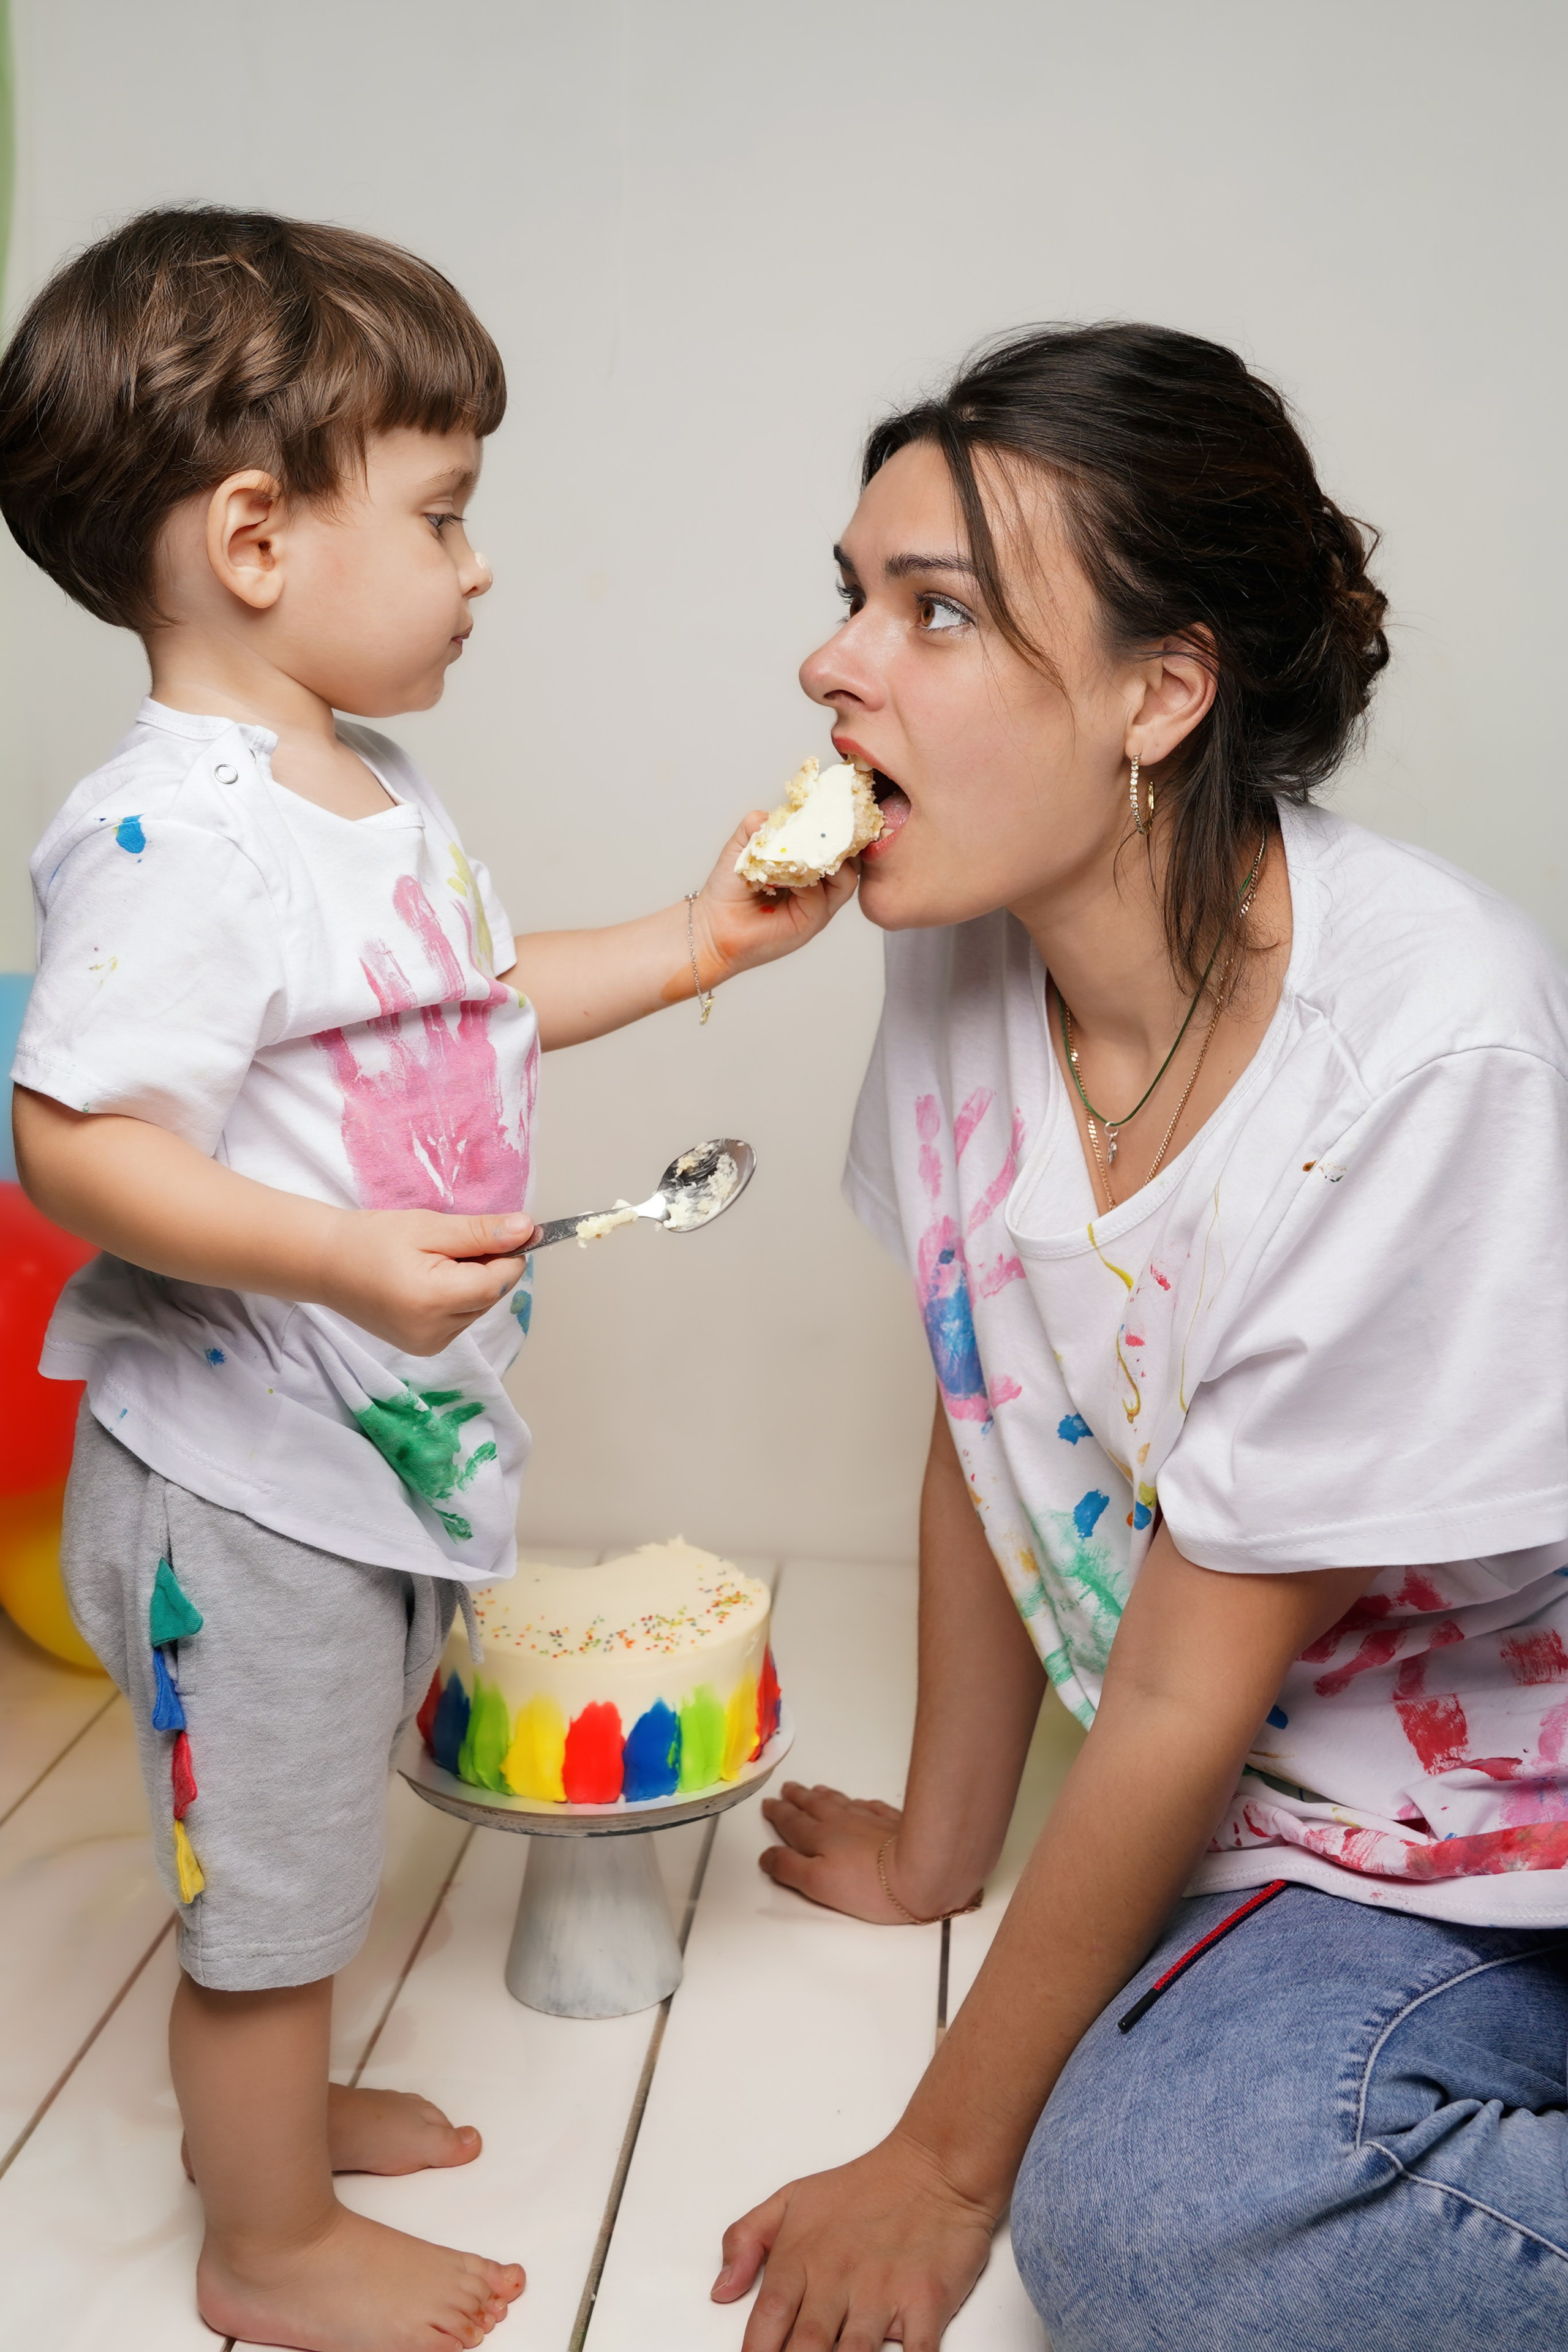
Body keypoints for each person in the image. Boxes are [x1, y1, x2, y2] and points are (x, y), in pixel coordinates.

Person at [0, 206, 854, 2352]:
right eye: (450, 514)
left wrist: (692, 943)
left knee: (313, 1822)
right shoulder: (171, 838)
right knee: (264, 1895)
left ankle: (264, 2126)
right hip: (242, 1474)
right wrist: (329, 1256)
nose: (482, 568)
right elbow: (69, 1134)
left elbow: (461, 1006)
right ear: (260, 537)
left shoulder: (359, 788)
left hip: (355, 1447)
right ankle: (263, 2241)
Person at [715, 323, 1568, 2351]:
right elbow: (991, 1416)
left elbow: (1189, 1682)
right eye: (850, 596)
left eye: (934, 613)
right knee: (1167, 2208)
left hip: (1502, 1832)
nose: (837, 664)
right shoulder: (953, 965)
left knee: (1152, 2216)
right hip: (1321, 1850)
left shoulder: (1428, 1046)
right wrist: (943, 1849)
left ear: (1160, 694)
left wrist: (937, 2166)